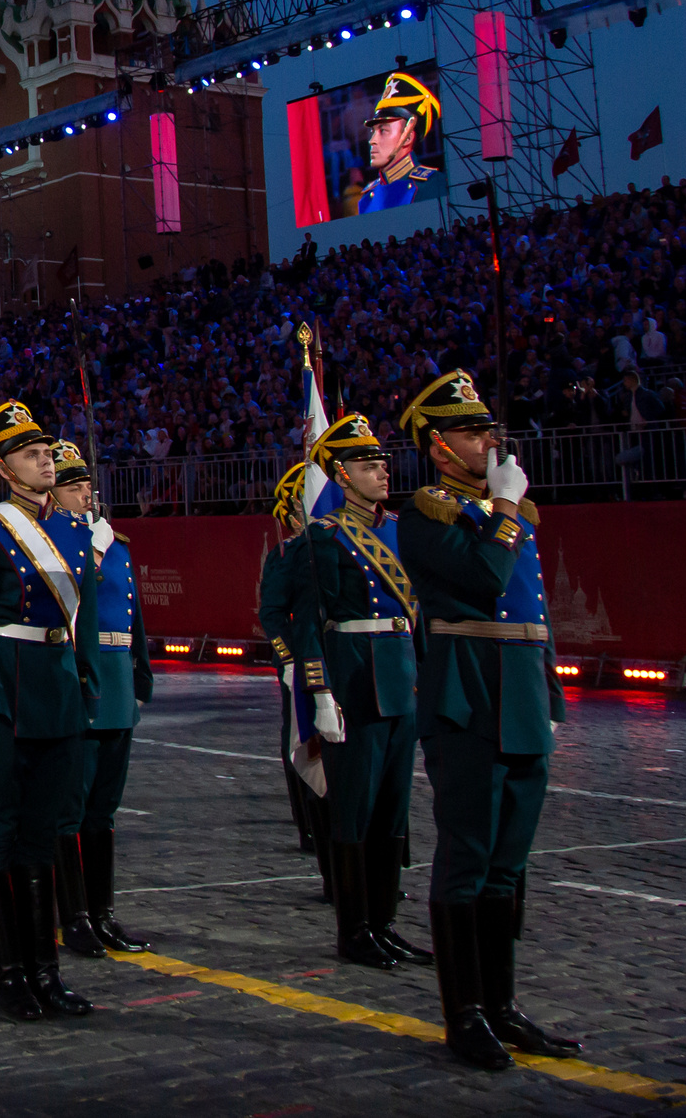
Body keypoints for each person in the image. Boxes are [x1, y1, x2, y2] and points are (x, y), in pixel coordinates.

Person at [394, 371, 578, 1071]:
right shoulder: (425, 514)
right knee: (467, 859)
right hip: (467, 698)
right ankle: (464, 1013)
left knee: (509, 866)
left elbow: (537, 611)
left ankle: (502, 1005)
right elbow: (484, 580)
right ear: (439, 447)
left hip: (524, 696)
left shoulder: (510, 514)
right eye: (473, 432)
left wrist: (553, 696)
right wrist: (503, 507)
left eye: (489, 430)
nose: (489, 441)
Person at [0, 400, 102, 1022]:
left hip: (56, 690)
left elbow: (79, 620)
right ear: (4, 468)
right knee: (1, 831)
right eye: (32, 455)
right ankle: (10, 976)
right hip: (4, 691)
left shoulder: (69, 532)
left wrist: (84, 684)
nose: (46, 461)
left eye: (47, 453)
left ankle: (46, 973)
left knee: (45, 836)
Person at [284, 413, 428, 972]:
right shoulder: (322, 538)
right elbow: (307, 622)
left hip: (400, 676)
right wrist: (318, 692)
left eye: (382, 464)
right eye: (368, 466)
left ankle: (385, 922)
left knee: (393, 810)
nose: (381, 473)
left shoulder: (400, 529)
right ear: (340, 474)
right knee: (354, 809)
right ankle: (354, 928)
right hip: (353, 680)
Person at [48, 439, 150, 958]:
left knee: (104, 808)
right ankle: (74, 915)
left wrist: (142, 672)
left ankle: (104, 911)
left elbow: (133, 618)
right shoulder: (56, 542)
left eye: (86, 483)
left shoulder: (115, 542)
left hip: (117, 682)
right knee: (72, 804)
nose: (84, 492)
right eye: (72, 485)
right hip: (79, 680)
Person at [261, 462, 331, 901]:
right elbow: (273, 615)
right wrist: (289, 662)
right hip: (304, 664)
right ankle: (310, 827)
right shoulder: (287, 555)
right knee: (306, 742)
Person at [358, 71, 440, 213]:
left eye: (383, 130)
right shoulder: (367, 198)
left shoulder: (432, 185)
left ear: (407, 137)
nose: (372, 141)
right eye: (373, 131)